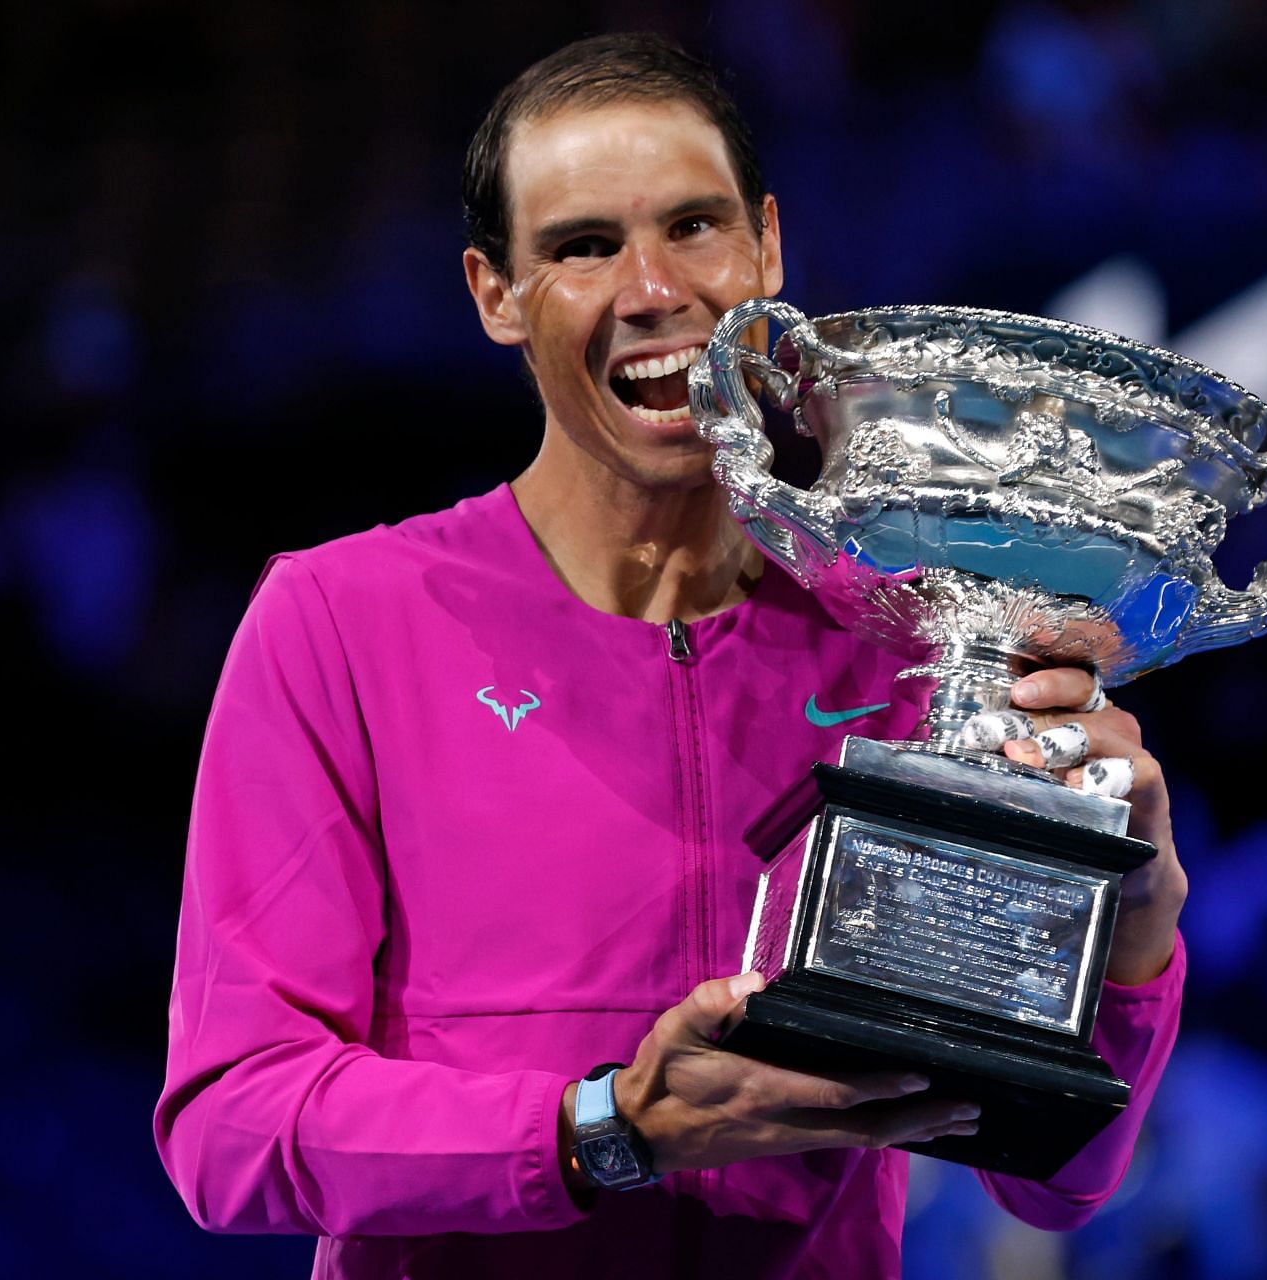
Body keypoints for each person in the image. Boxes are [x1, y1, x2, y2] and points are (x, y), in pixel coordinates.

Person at [154, 32, 1186, 1279]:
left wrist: (1128, 926)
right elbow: (234, 1124)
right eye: (584, 246)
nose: (652, 287)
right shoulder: (341, 620)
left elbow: (1053, 1181)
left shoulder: (903, 644)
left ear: (767, 251)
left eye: (693, 228)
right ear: (495, 294)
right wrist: (602, 1130)